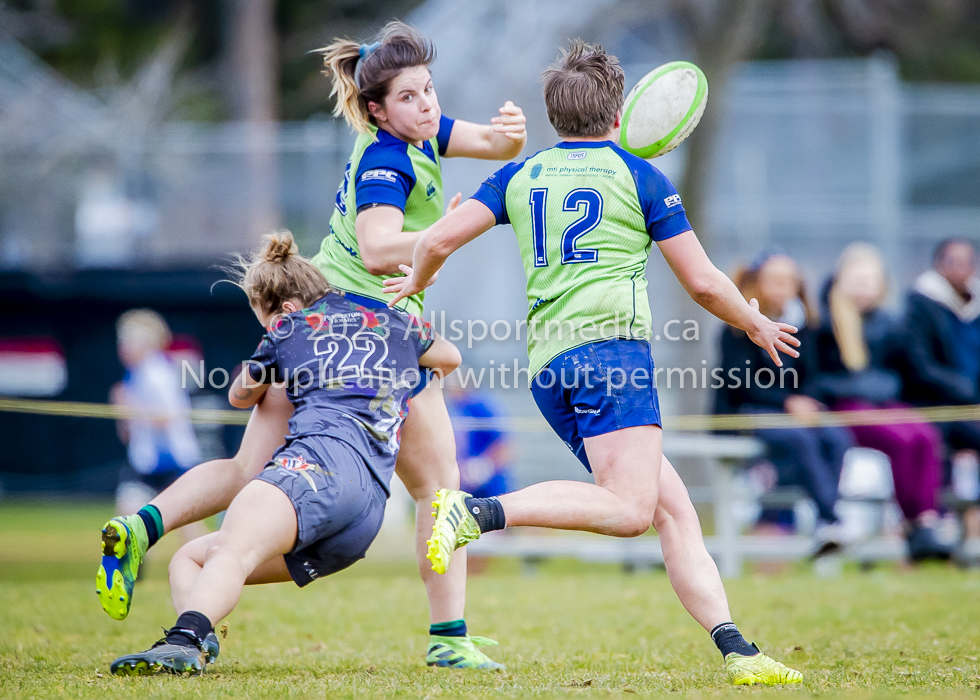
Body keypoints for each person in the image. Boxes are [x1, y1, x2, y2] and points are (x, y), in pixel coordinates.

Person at [96, 21, 526, 669]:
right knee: (440, 490)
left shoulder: (418, 130)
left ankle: (141, 527)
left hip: (324, 326)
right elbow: (380, 247)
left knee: (253, 470)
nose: (429, 104)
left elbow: (492, 144)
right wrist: (450, 230)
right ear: (377, 108)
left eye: (430, 90)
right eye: (411, 97)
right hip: (369, 331)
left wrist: (512, 132)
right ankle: (448, 640)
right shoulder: (385, 158)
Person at [385, 40, 803, 686]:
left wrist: (415, 281)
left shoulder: (520, 176)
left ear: (555, 117)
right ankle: (478, 512)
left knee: (672, 508)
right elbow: (702, 283)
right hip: (614, 356)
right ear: (619, 114)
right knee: (633, 510)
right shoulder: (640, 176)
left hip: (552, 367)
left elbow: (438, 237)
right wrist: (753, 321)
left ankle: (739, 651)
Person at [108, 231, 462, 675]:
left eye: (264, 319)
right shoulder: (397, 322)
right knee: (192, 558)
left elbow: (239, 395)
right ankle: (197, 642)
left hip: (316, 466)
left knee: (231, 546)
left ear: (287, 309)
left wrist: (269, 373)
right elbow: (449, 356)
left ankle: (183, 640)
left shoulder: (289, 329)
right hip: (364, 515)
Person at [810, 243, 950, 560]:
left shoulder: (888, 322)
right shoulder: (822, 323)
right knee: (899, 440)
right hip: (845, 405)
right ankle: (911, 523)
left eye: (870, 281)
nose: (864, 288)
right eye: (857, 280)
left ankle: (926, 522)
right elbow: (815, 375)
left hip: (883, 403)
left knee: (926, 436)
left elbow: (901, 370)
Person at [715, 251, 854, 554]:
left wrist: (807, 401)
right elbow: (740, 382)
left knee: (837, 437)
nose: (783, 287)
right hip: (747, 411)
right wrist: (788, 401)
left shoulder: (804, 325)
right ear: (757, 283)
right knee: (799, 439)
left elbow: (813, 375)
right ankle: (829, 519)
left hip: (791, 412)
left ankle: (823, 523)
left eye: (790, 281)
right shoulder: (736, 324)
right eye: (775, 280)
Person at [109, 310, 206, 542]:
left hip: (173, 462)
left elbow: (166, 419)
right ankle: (128, 568)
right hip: (145, 462)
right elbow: (128, 432)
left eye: (127, 341)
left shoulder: (156, 373)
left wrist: (129, 405)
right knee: (126, 515)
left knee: (188, 525)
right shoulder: (136, 374)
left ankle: (213, 565)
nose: (122, 348)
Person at [904, 238, 980, 463]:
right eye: (953, 261)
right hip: (939, 402)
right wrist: (967, 391)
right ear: (938, 265)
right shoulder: (922, 305)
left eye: (967, 262)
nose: (961, 268)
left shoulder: (974, 305)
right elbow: (921, 366)